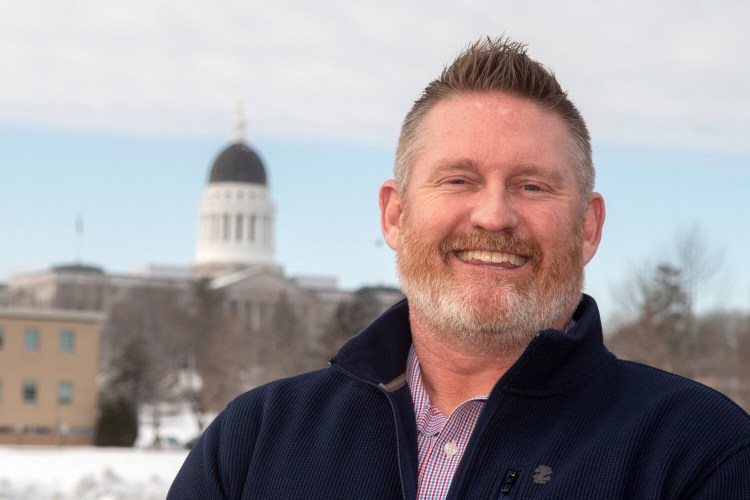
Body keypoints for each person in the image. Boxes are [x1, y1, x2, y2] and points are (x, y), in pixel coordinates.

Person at [169, 37, 750, 499]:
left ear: (588, 227)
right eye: (458, 180)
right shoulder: (254, 442)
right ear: (395, 215)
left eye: (532, 185)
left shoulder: (701, 454)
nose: (494, 215)